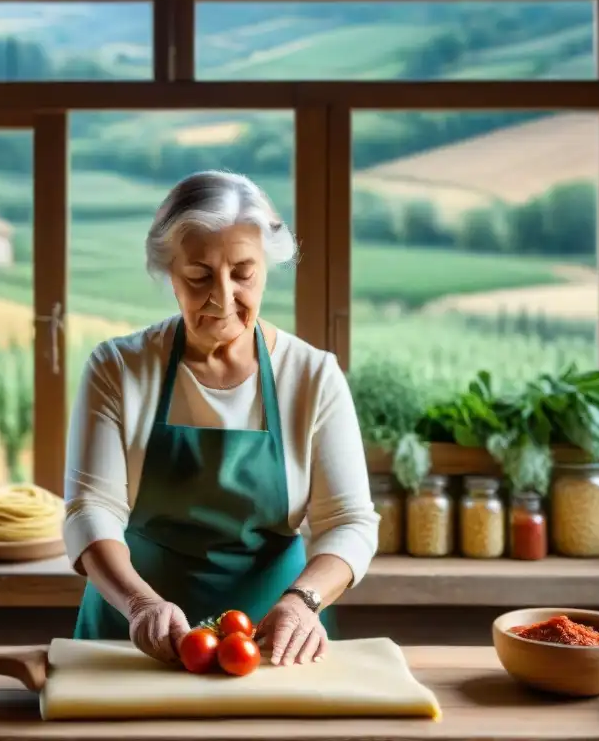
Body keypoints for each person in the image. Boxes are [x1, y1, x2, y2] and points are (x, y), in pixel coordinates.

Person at [64, 170, 379, 668]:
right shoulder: (118, 368)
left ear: (267, 267)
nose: (222, 297)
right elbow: (90, 510)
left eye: (243, 273)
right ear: (170, 271)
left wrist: (305, 602)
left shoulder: (313, 376)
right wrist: (139, 603)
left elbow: (350, 522)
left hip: (275, 643)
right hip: (130, 637)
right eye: (198, 276)